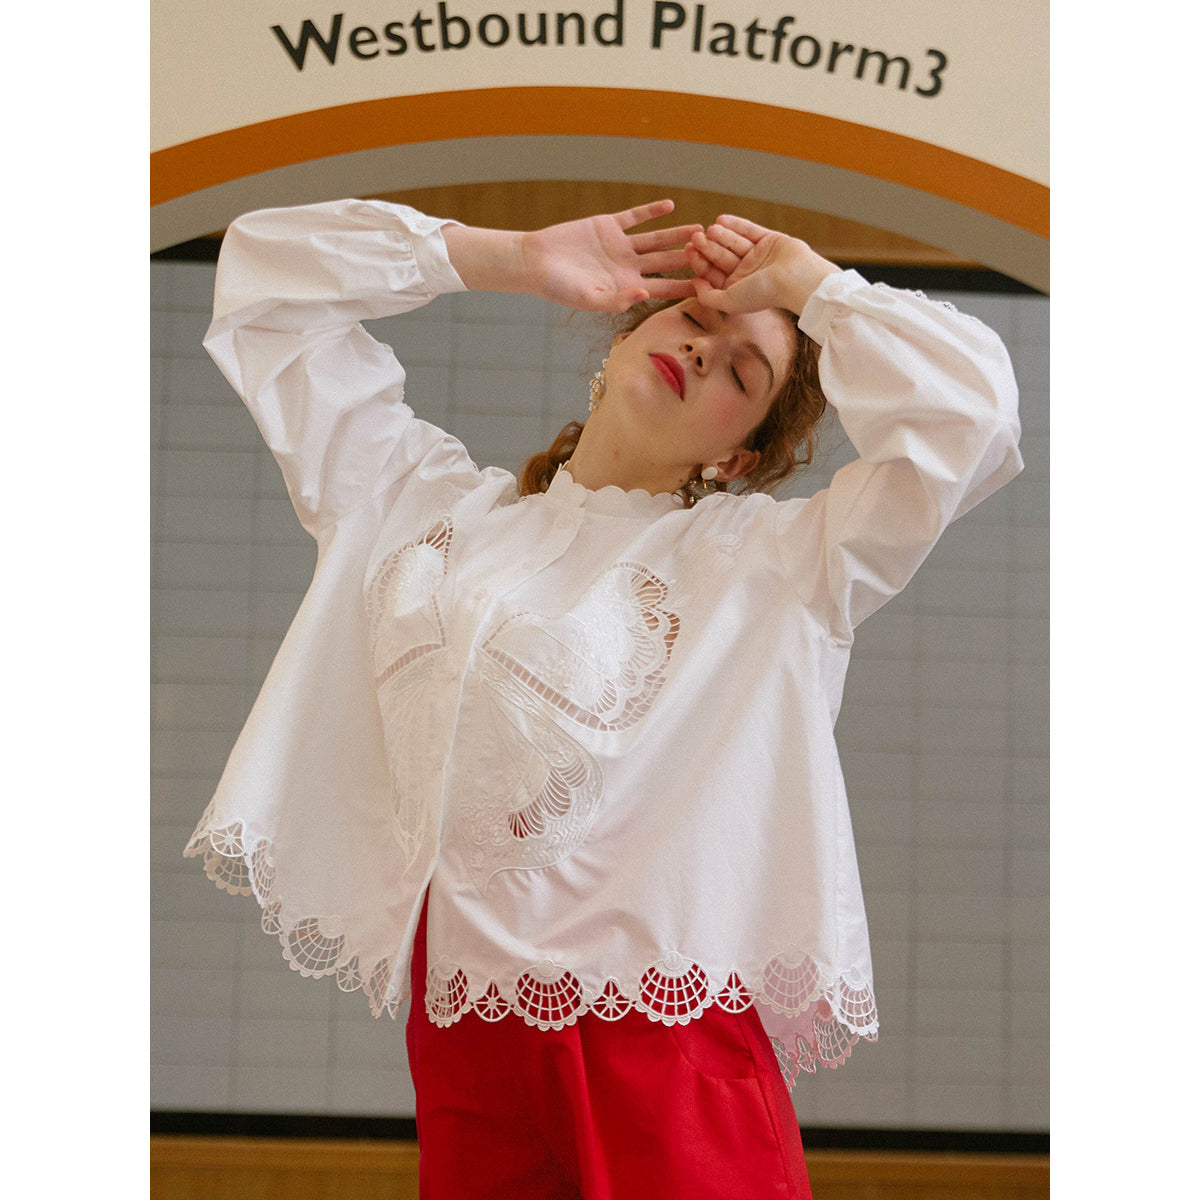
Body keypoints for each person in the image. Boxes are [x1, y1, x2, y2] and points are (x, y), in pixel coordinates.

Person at [186, 196, 1022, 1198]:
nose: (705, 350)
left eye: (744, 372)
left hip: (666, 1046)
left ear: (737, 458)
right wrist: (511, 256)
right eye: (696, 321)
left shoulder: (775, 565)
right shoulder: (413, 500)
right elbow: (264, 285)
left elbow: (974, 420)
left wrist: (812, 286)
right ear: (623, 337)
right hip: (466, 1034)